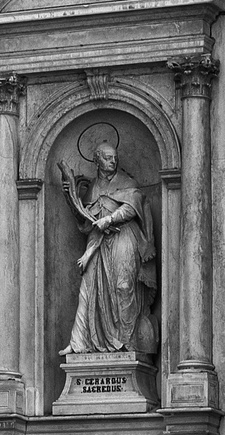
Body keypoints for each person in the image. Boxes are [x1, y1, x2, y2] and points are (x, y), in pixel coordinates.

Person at [58, 141, 157, 356]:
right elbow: (86, 223)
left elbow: (133, 206)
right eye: (108, 158)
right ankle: (81, 343)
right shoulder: (92, 188)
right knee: (89, 289)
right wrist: (70, 197)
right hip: (97, 242)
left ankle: (127, 343)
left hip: (124, 237)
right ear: (97, 160)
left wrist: (110, 219)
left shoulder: (126, 181)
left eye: (114, 158)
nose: (113, 161)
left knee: (123, 286)